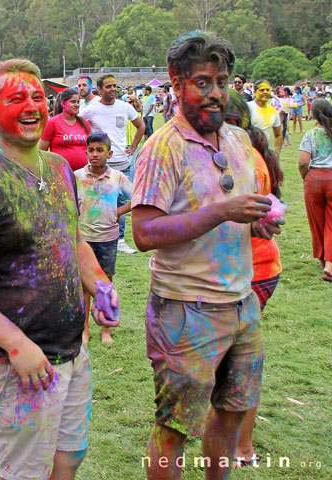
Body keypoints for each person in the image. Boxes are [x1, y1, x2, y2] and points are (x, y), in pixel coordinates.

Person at [0, 58, 119, 480]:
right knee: (25, 473)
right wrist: (17, 345)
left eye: (38, 96)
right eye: (16, 98)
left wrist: (101, 284)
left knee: (69, 458)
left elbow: (71, 240)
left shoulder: (58, 168)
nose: (33, 105)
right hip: (14, 364)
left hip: (72, 350)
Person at [132, 31, 281, 480]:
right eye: (202, 82)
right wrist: (221, 212)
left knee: (233, 412)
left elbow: (236, 214)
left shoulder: (237, 139)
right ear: (176, 83)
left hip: (242, 304)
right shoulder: (163, 147)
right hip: (185, 311)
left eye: (222, 81)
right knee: (175, 427)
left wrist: (255, 221)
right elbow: (144, 233)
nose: (216, 93)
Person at [224, 90, 284, 468]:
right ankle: (235, 440)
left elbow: (254, 222)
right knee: (235, 360)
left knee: (238, 364)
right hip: (252, 268)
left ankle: (242, 446)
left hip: (251, 270)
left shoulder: (245, 159)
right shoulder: (248, 153)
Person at [75, 132, 132, 344]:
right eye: (91, 150)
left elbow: (136, 198)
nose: (95, 154)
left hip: (108, 239)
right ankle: (85, 329)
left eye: (100, 150)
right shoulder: (77, 177)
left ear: (110, 153)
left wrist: (118, 212)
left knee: (106, 283)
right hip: (84, 239)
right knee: (83, 286)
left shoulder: (117, 177)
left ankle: (106, 329)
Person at [80, 73, 145, 254]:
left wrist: (133, 148)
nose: (112, 89)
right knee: (97, 199)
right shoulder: (90, 109)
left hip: (122, 162)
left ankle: (120, 239)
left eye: (114, 86)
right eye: (108, 86)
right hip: (99, 165)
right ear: (99, 90)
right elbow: (76, 124)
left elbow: (141, 126)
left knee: (121, 201)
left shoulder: (124, 107)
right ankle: (94, 236)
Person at [299, 98, 332, 281]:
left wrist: (305, 177)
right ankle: (330, 263)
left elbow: (303, 162)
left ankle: (322, 259)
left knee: (316, 222)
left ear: (313, 114)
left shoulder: (311, 134)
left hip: (314, 179)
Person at [38, 88, 92, 171]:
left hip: (83, 176)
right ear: (63, 103)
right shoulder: (52, 123)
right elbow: (41, 151)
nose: (77, 105)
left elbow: (92, 146)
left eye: (78, 102)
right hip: (60, 175)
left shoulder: (84, 123)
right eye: (73, 102)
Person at [248, 79, 283, 154]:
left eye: (268, 90)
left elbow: (278, 135)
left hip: (264, 153)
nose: (265, 92)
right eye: (262, 90)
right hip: (248, 151)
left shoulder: (274, 112)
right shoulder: (247, 107)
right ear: (254, 92)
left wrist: (276, 154)